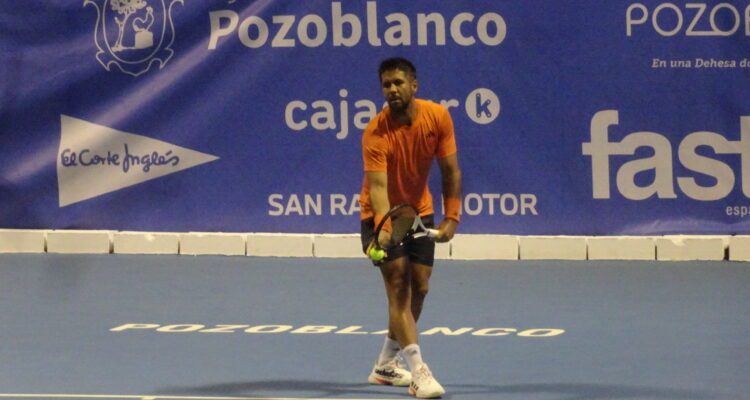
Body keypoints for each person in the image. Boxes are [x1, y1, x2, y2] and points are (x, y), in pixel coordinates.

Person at [359, 57, 462, 399]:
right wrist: (383, 228)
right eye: (386, 84)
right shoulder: (375, 131)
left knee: (420, 287)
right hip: (382, 215)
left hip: (420, 211)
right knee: (399, 287)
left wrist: (452, 217)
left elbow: (450, 171)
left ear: (414, 86)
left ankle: (386, 365)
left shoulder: (438, 117)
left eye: (398, 83)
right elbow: (377, 188)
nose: (392, 90)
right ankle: (419, 371)